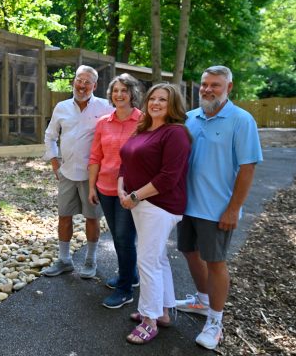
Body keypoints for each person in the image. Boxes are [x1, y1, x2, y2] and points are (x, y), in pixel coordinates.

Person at [175, 66, 263, 350]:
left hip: (217, 209)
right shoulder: (190, 118)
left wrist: (232, 209)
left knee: (215, 262)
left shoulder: (241, 120)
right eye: (204, 84)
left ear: (229, 87)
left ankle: (215, 320)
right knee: (189, 252)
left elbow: (247, 168)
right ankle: (202, 300)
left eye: (215, 85)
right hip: (187, 205)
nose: (207, 89)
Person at [118, 83, 191, 345]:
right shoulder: (143, 128)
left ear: (173, 105)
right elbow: (126, 161)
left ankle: (149, 320)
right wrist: (121, 189)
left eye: (163, 99)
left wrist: (135, 195)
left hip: (160, 206)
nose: (156, 103)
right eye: (153, 98)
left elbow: (168, 177)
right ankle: (163, 312)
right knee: (157, 258)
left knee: (147, 260)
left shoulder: (176, 133)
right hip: (138, 203)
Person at [42, 65, 114, 278]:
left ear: (95, 85)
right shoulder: (61, 107)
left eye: (87, 82)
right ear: (74, 81)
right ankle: (64, 260)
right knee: (64, 216)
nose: (82, 86)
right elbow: (50, 136)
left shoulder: (105, 107)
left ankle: (91, 260)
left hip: (92, 176)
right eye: (79, 80)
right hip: (66, 173)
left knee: (92, 218)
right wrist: (54, 163)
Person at [88, 73, 142, 309]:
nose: (119, 95)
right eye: (115, 90)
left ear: (132, 94)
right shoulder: (103, 122)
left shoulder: (143, 122)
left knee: (124, 237)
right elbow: (95, 156)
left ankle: (124, 289)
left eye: (124, 90)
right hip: (104, 187)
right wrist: (91, 186)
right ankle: (132, 275)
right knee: (118, 236)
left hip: (130, 191)